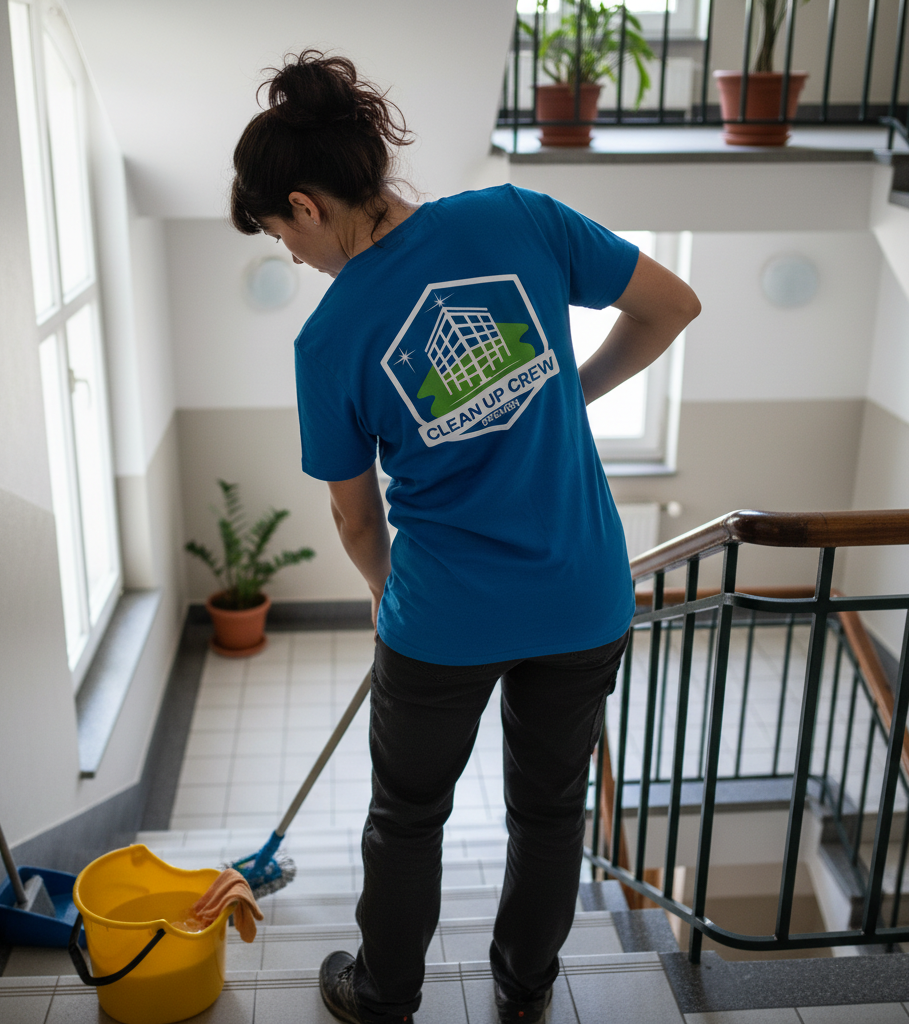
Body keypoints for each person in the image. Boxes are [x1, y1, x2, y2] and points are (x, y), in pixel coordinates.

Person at [229, 50, 700, 1024]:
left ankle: (386, 996)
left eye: (281, 236)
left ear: (307, 205)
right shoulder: (516, 217)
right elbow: (670, 306)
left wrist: (378, 587)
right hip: (582, 597)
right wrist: (569, 388)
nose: (293, 256)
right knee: (548, 813)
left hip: (442, 616)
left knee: (407, 820)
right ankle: (522, 993)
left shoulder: (329, 339)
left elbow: (356, 516)